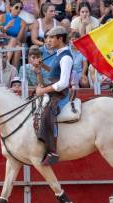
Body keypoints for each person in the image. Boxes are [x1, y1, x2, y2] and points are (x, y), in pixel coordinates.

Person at [35, 26, 73, 166]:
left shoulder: (66, 57)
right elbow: (55, 72)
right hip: (54, 92)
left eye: (51, 37)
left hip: (60, 94)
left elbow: (63, 83)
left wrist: (42, 91)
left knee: (47, 114)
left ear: (60, 38)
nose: (48, 40)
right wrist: (43, 66)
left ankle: (52, 151)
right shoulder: (59, 54)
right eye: (48, 37)